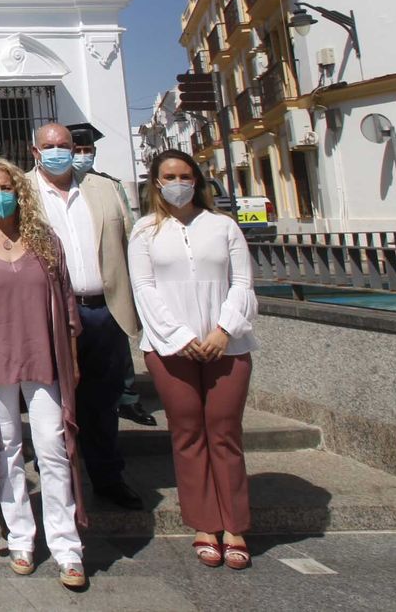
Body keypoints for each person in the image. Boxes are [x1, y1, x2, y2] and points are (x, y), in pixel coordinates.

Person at [0, 158, 87, 591]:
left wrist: (74, 358)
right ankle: (21, 535)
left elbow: (66, 304)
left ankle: (67, 546)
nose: (0, 195)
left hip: (42, 356)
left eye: (6, 187)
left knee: (51, 446)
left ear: (19, 190)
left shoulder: (44, 239)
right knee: (5, 447)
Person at [130, 150, 258, 570]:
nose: (178, 183)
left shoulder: (224, 227)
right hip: (170, 348)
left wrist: (223, 330)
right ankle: (204, 522)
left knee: (224, 430)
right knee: (187, 432)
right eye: (169, 176)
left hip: (227, 345)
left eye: (185, 175)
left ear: (197, 180)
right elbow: (144, 290)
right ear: (156, 182)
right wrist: (181, 337)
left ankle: (235, 523)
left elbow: (242, 282)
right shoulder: (144, 231)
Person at [31, 121, 143, 510]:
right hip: (48, 314)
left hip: (101, 309)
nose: (59, 151)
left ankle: (107, 474)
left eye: (65, 144)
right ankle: (59, 479)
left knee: (102, 399)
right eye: (50, 145)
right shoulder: (23, 193)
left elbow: (131, 244)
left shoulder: (105, 189)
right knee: (52, 400)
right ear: (36, 152)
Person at [68, 122, 158, 428]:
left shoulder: (109, 185)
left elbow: (127, 231)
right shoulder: (54, 187)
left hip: (108, 281)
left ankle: (128, 398)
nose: (82, 156)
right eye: (76, 150)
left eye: (86, 150)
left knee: (118, 349)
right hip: (71, 289)